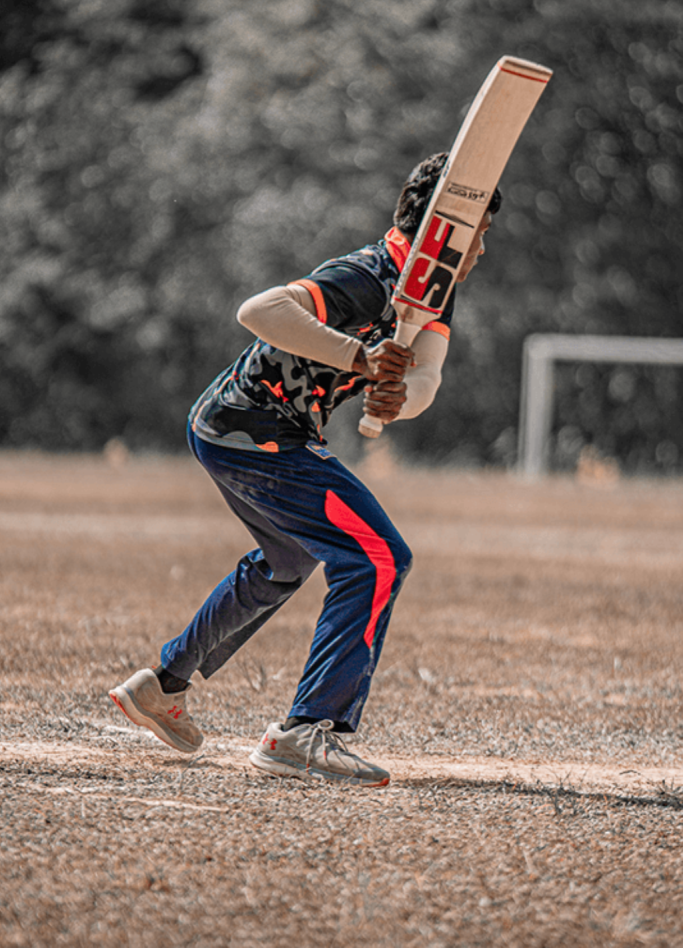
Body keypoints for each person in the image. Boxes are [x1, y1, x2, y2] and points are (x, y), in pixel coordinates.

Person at [109, 152, 501, 787]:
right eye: (478, 231)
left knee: (287, 562)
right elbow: (260, 310)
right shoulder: (371, 275)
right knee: (377, 557)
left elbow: (425, 373)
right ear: (445, 230)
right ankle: (304, 732)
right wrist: (361, 358)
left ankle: (163, 685)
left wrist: (398, 398)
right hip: (252, 429)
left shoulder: (434, 291)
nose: (482, 247)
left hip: (244, 430)